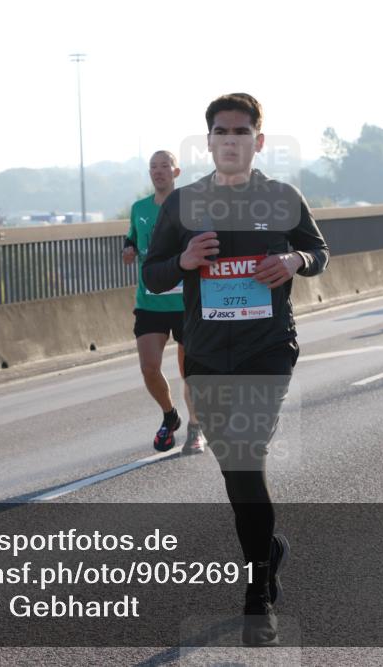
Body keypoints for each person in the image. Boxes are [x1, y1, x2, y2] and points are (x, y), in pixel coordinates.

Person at [143, 93, 329, 646]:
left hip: (267, 349)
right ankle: (268, 549)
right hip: (205, 354)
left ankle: (257, 595)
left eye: (241, 131)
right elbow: (152, 276)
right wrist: (182, 260)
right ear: (209, 142)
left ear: (258, 141)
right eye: (221, 131)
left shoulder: (281, 197)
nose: (231, 140)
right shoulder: (182, 204)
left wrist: (294, 260)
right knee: (236, 472)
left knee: (247, 458)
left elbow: (319, 252)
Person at [122, 150, 206, 454]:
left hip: (185, 302)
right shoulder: (139, 208)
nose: (158, 172)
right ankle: (170, 415)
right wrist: (128, 249)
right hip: (150, 301)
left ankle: (195, 429)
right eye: (153, 167)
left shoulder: (189, 206)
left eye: (164, 166)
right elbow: (132, 238)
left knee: (191, 372)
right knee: (149, 368)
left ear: (176, 171)